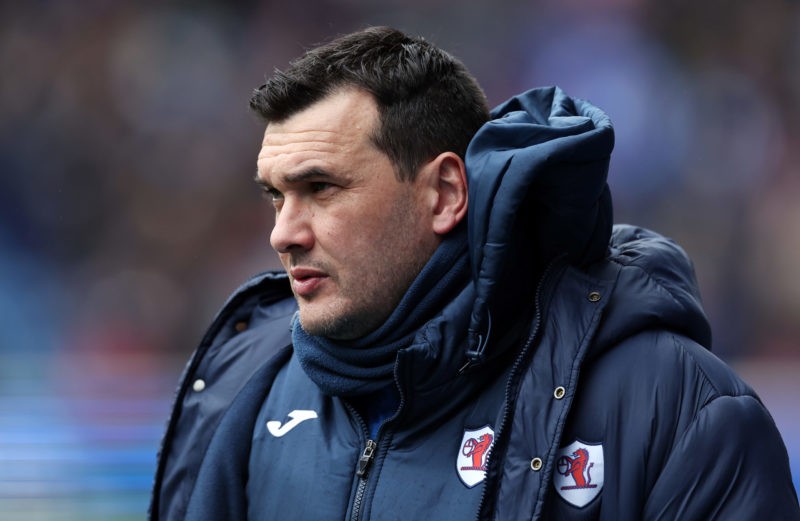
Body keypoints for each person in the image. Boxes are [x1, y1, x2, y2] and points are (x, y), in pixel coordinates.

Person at [149, 26, 800, 520]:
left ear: (444, 194)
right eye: (276, 195)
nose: (283, 232)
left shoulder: (674, 411)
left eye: (320, 188)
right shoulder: (247, 398)